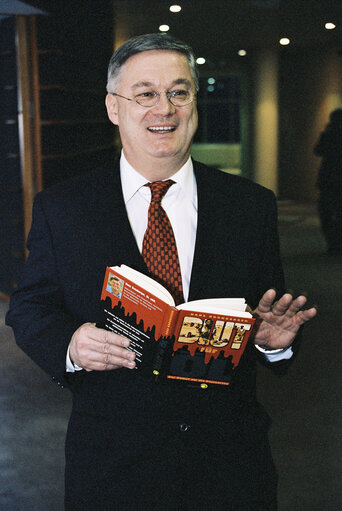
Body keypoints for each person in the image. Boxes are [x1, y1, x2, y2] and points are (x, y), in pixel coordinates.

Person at [6, 33, 316, 511]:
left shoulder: (250, 206)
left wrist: (271, 342)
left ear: (194, 101)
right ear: (114, 107)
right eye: (146, 94)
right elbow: (28, 309)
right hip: (112, 463)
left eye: (179, 92)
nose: (164, 109)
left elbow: (265, 312)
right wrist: (69, 344)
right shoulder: (62, 208)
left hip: (230, 464)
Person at [314, 108, 342, 255]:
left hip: (329, 179)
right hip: (335, 179)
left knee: (326, 212)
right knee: (337, 212)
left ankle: (333, 243)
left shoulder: (329, 135)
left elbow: (318, 150)